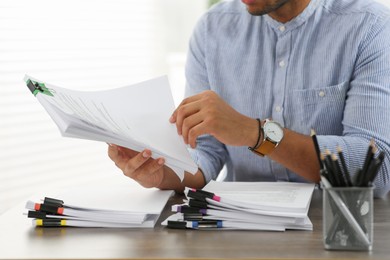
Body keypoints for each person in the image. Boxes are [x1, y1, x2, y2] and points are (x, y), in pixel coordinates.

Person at [108, 0, 390, 197]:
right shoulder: (211, 30)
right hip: (240, 232)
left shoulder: (370, 27)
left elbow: (377, 170)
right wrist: (163, 174)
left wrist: (255, 133)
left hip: (339, 228)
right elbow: (206, 154)